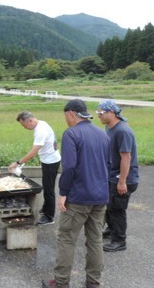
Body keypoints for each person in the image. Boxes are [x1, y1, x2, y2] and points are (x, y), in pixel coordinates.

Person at [43, 99, 110, 288]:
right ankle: (93, 281)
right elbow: (109, 165)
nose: (66, 120)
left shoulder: (71, 134)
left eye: (66, 116)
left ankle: (61, 282)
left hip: (79, 197)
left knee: (66, 238)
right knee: (95, 239)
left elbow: (69, 167)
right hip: (100, 196)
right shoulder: (102, 134)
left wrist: (63, 193)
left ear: (71, 113)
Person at [96, 100, 139, 252]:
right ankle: (111, 230)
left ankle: (119, 241)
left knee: (117, 209)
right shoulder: (110, 127)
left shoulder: (122, 131)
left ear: (111, 112)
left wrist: (122, 182)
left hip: (123, 178)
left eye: (100, 113)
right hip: (112, 175)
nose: (98, 116)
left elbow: (126, 157)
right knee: (109, 206)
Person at [9, 111, 61, 225]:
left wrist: (17, 163)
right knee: (47, 186)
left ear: (30, 121)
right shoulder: (41, 123)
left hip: (50, 161)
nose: (24, 128)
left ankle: (49, 217)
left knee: (49, 189)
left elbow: (33, 152)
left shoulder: (40, 130)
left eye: (24, 125)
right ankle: (46, 207)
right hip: (49, 159)